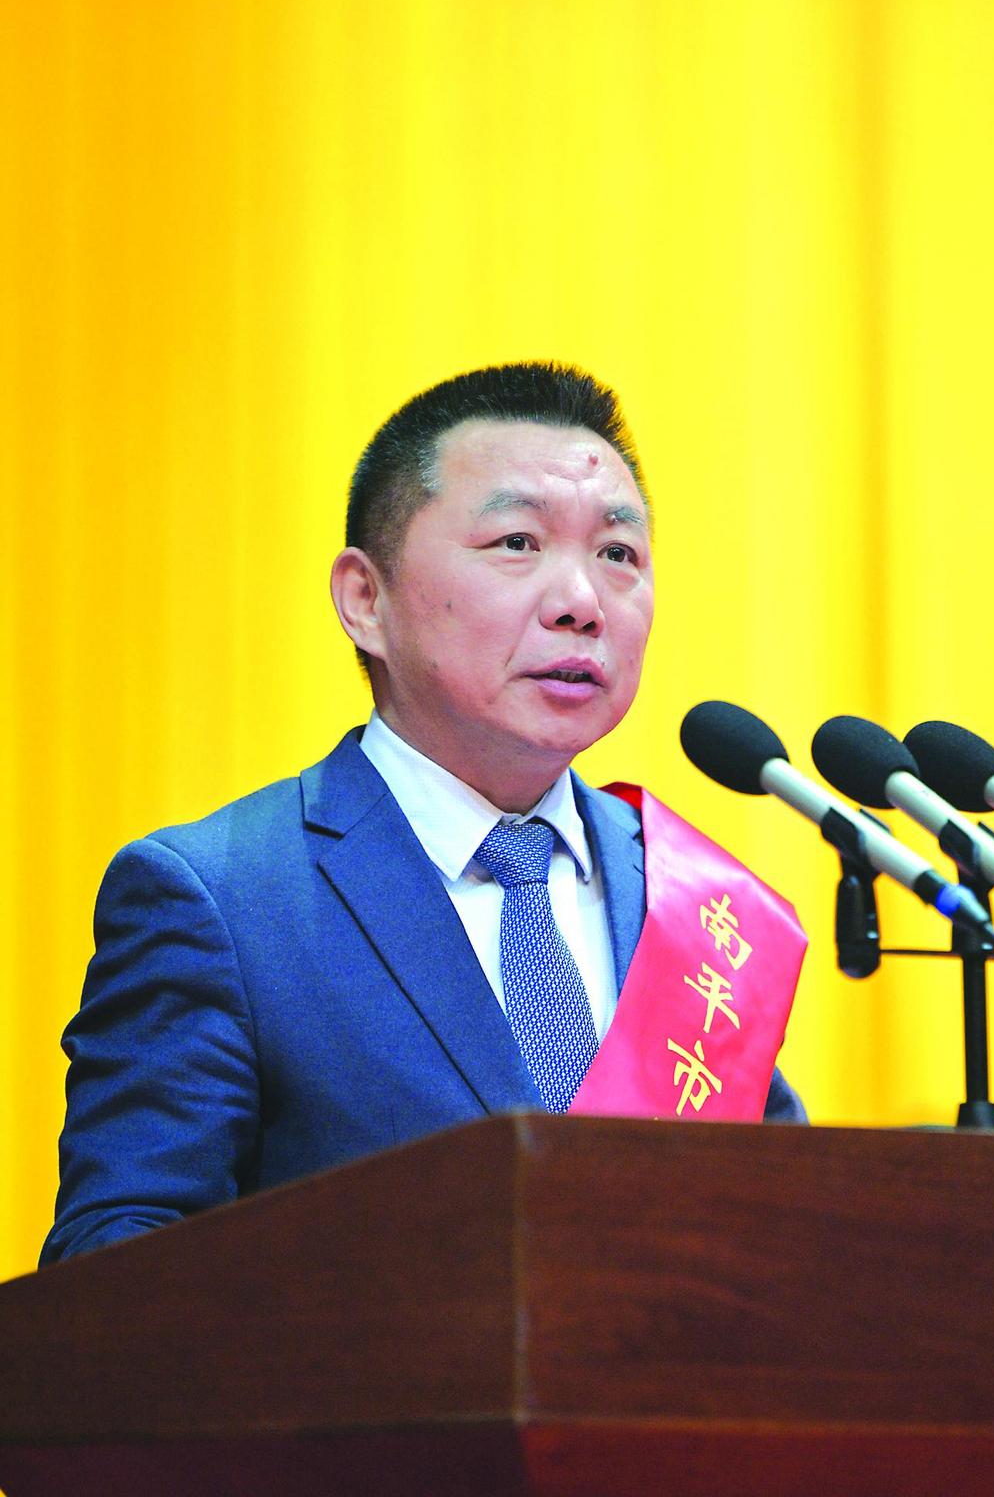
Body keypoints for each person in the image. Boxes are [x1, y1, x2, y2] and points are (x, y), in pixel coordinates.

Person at [43, 362, 804, 1264]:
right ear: (366, 600)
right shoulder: (224, 902)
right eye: (517, 542)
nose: (582, 603)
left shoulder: (697, 908)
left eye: (617, 555)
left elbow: (783, 1236)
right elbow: (114, 1265)